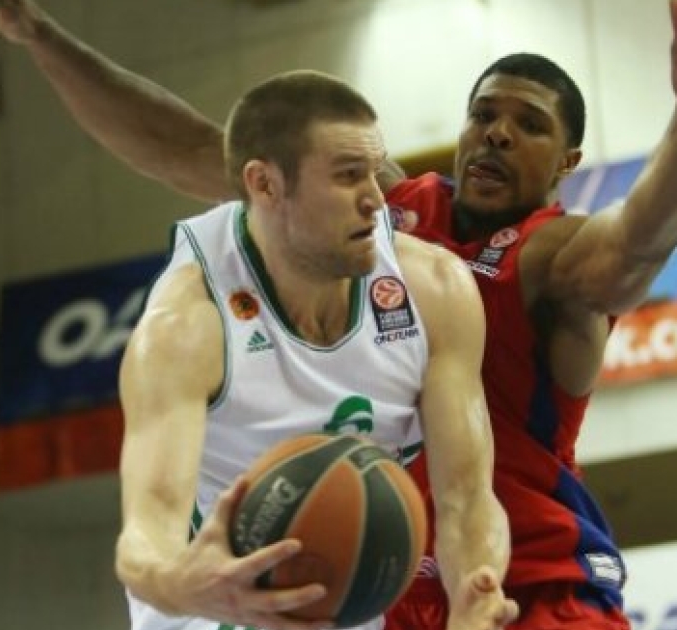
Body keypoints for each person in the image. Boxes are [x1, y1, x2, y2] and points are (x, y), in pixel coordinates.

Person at [0, 0, 677, 628]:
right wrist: (42, 37)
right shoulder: (385, 213)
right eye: (484, 115)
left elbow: (633, 249)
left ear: (566, 165)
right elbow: (191, 146)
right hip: (387, 589)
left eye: (529, 126)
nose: (497, 135)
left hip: (529, 586)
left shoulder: (549, 258)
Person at [116, 70, 515, 630]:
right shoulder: (186, 326)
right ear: (265, 185)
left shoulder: (434, 288)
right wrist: (181, 583)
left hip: (341, 604)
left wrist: (477, 586)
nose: (376, 199)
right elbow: (145, 535)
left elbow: (467, 498)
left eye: (375, 171)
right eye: (348, 176)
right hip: (213, 603)